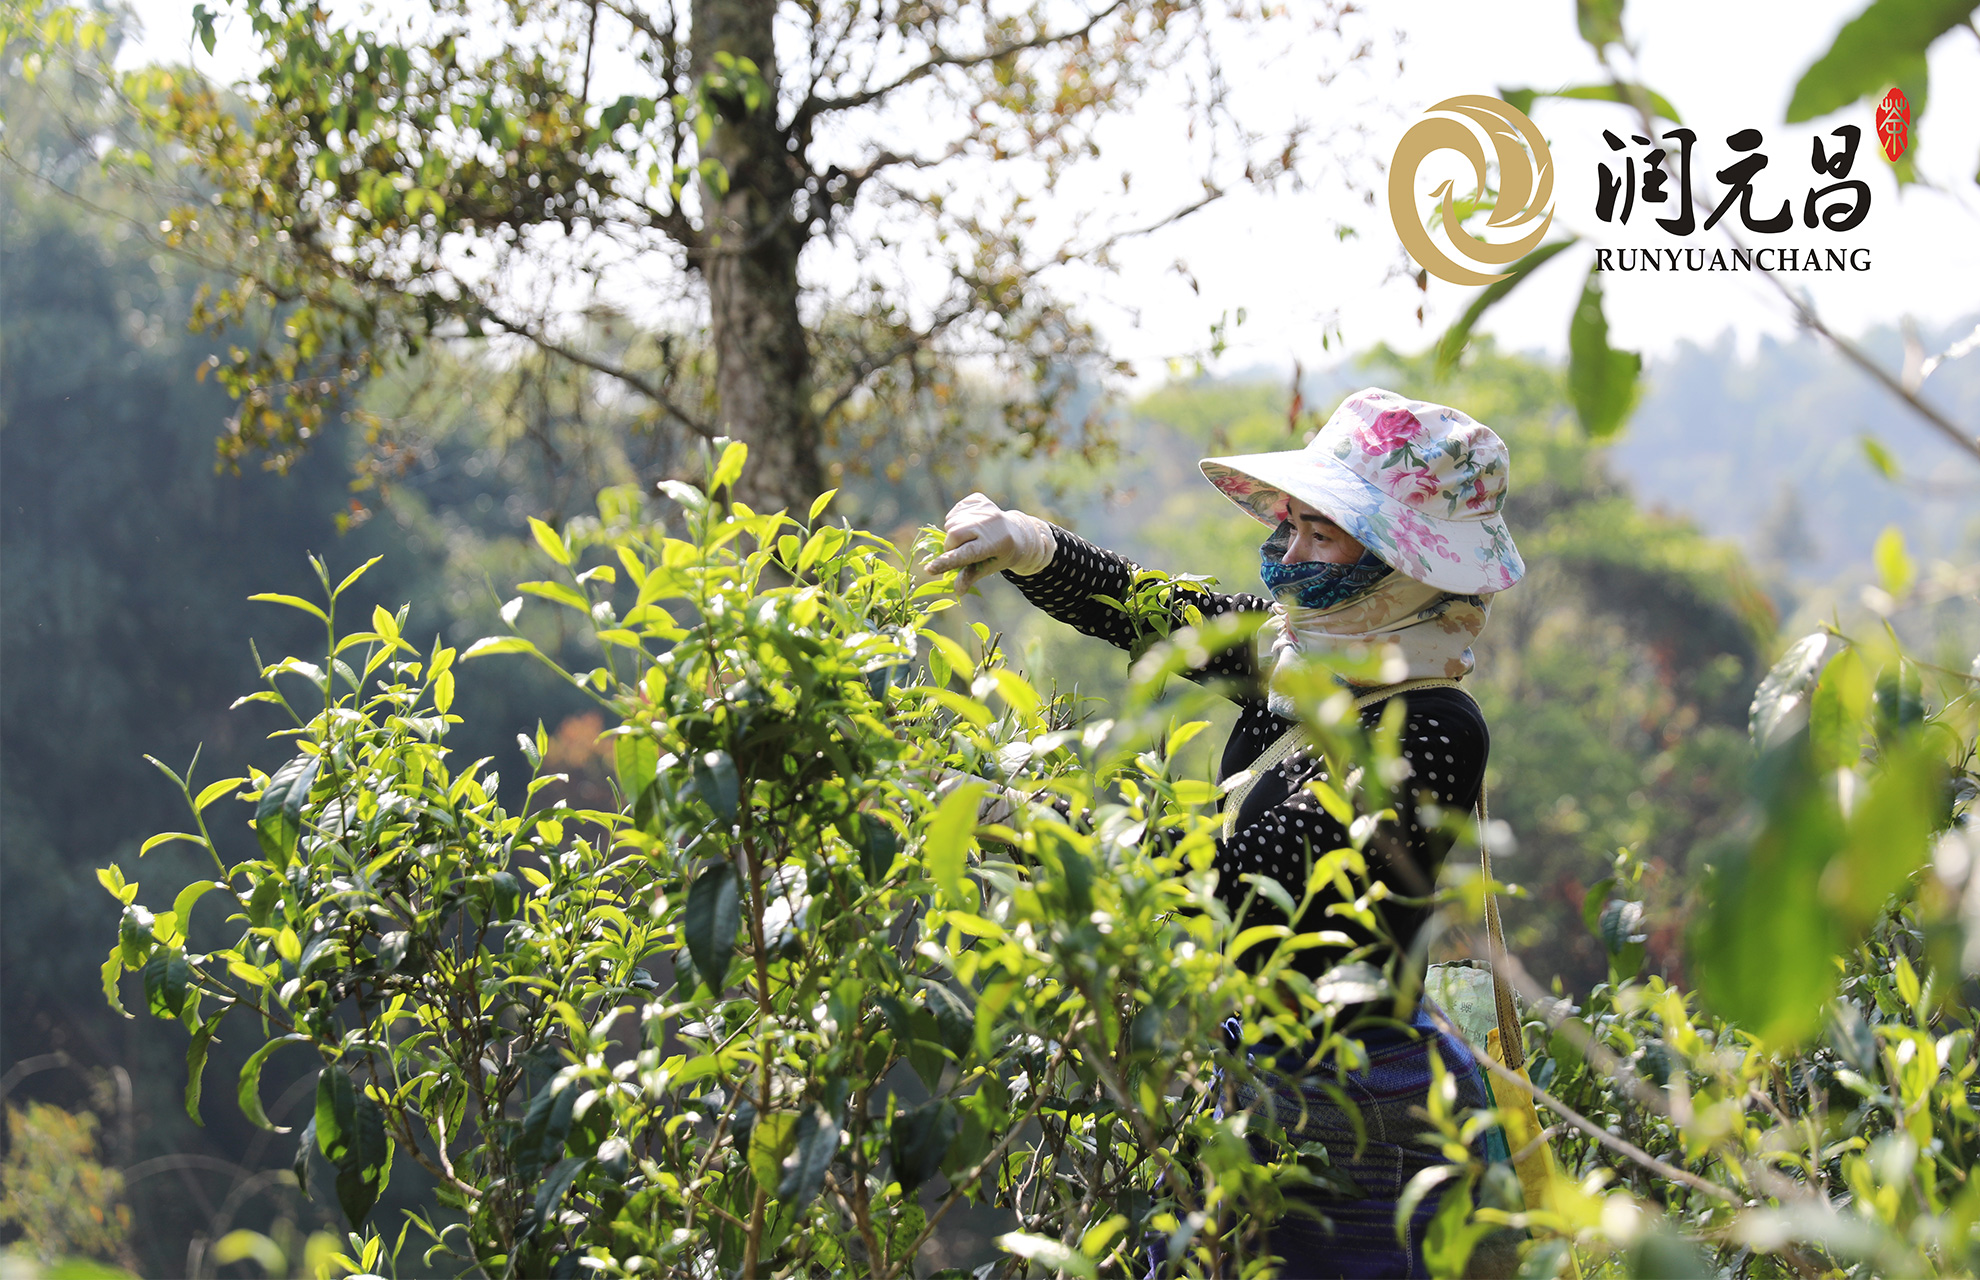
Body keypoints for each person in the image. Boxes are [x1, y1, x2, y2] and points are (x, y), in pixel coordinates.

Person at [922, 387, 1525, 1279]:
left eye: (1323, 537)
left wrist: (1025, 822)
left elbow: (1250, 879)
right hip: (1253, 1078)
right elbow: (1161, 612)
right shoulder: (1301, 658)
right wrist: (1029, 543)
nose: (1290, 557)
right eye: (1292, 528)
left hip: (1357, 1116)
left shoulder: (1432, 726)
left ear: (1407, 566)